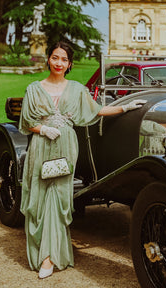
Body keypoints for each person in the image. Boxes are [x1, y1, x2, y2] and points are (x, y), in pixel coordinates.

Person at [19, 42, 146, 279]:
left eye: (64, 59)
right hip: (42, 146)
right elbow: (26, 123)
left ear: (69, 64)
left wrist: (125, 107)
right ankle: (43, 252)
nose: (59, 63)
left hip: (66, 146)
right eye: (55, 58)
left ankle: (50, 257)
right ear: (49, 59)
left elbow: (97, 110)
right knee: (40, 198)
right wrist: (43, 130)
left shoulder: (76, 89)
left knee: (58, 199)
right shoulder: (34, 89)